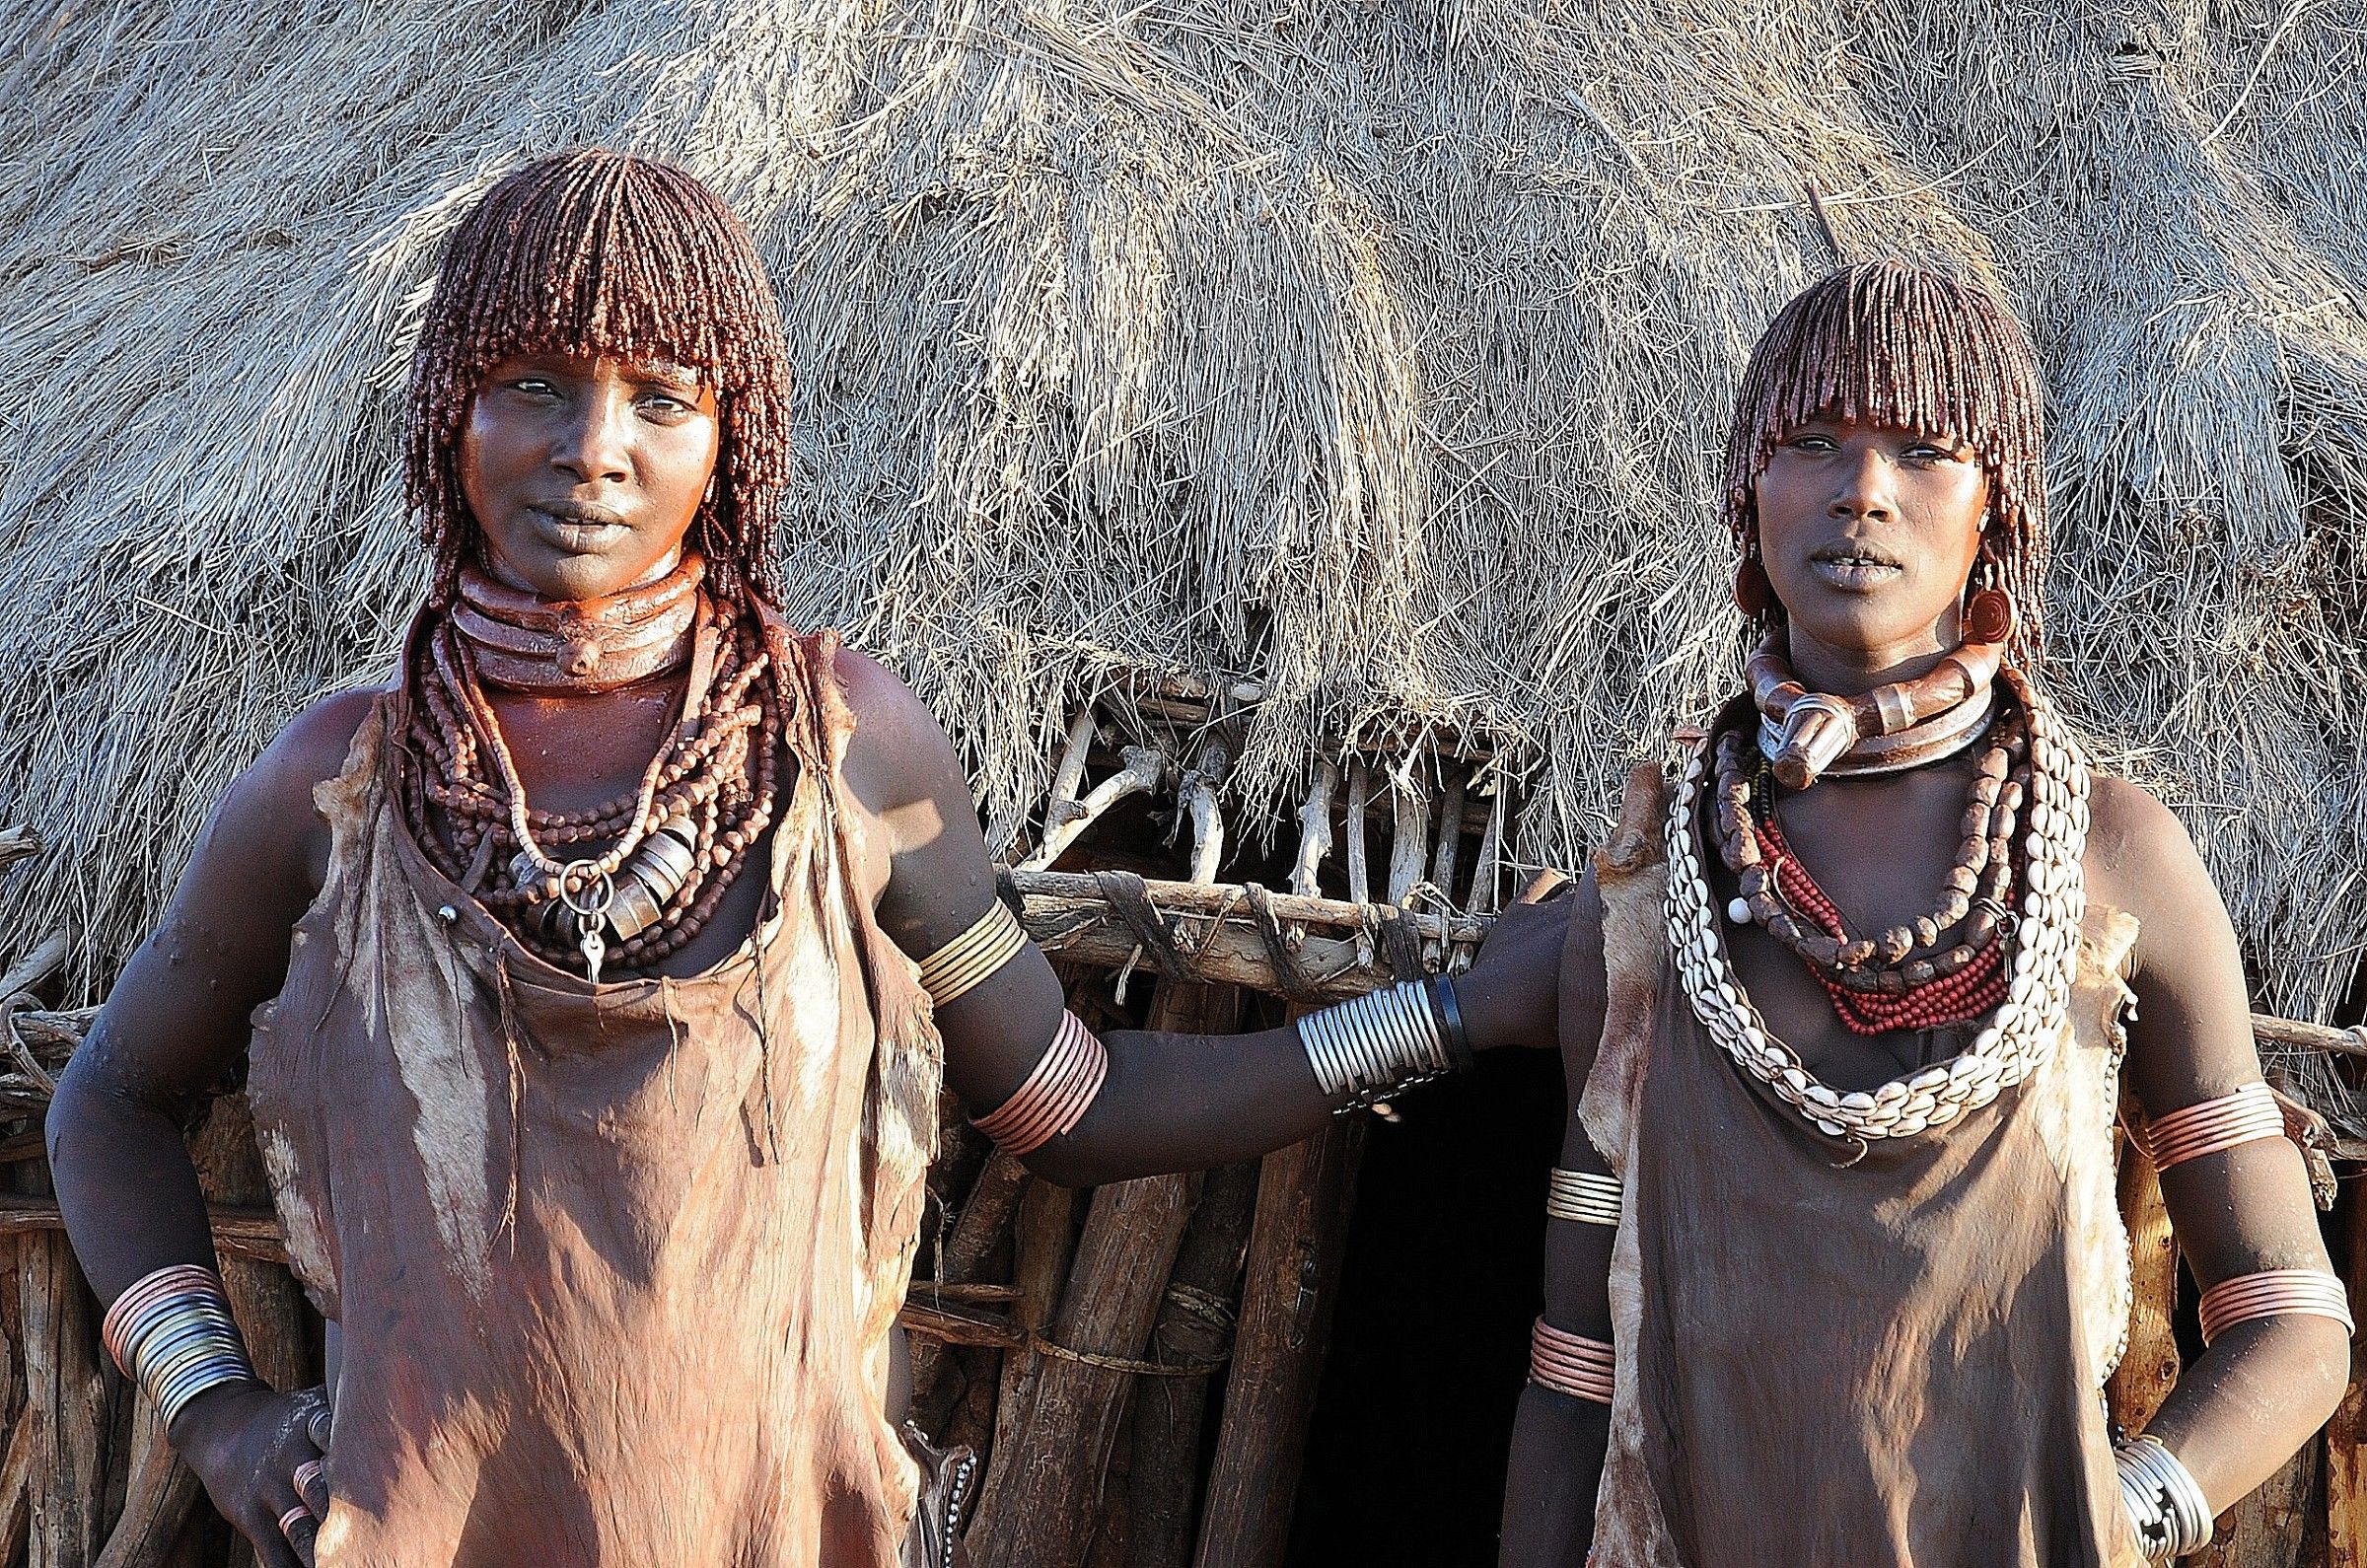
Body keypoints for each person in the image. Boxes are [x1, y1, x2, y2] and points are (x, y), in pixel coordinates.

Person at [45, 149, 1553, 1568]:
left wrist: (1446, 1015)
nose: (594, 449)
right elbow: (108, 1100)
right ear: (450, 410)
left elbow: (1069, 1099)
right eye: (532, 386)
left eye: (661, 397)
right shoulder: (340, 792)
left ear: (735, 434)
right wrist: (219, 1411)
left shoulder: (846, 753)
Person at [1488, 261, 2350, 1567]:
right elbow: (1574, 1371)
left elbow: (2292, 1312)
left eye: (1925, 449)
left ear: (1993, 504)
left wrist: (2123, 1510)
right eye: (1813, 443)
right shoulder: (1656, 881)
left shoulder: (2114, 857)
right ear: (1749, 491)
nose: (1863, 490)